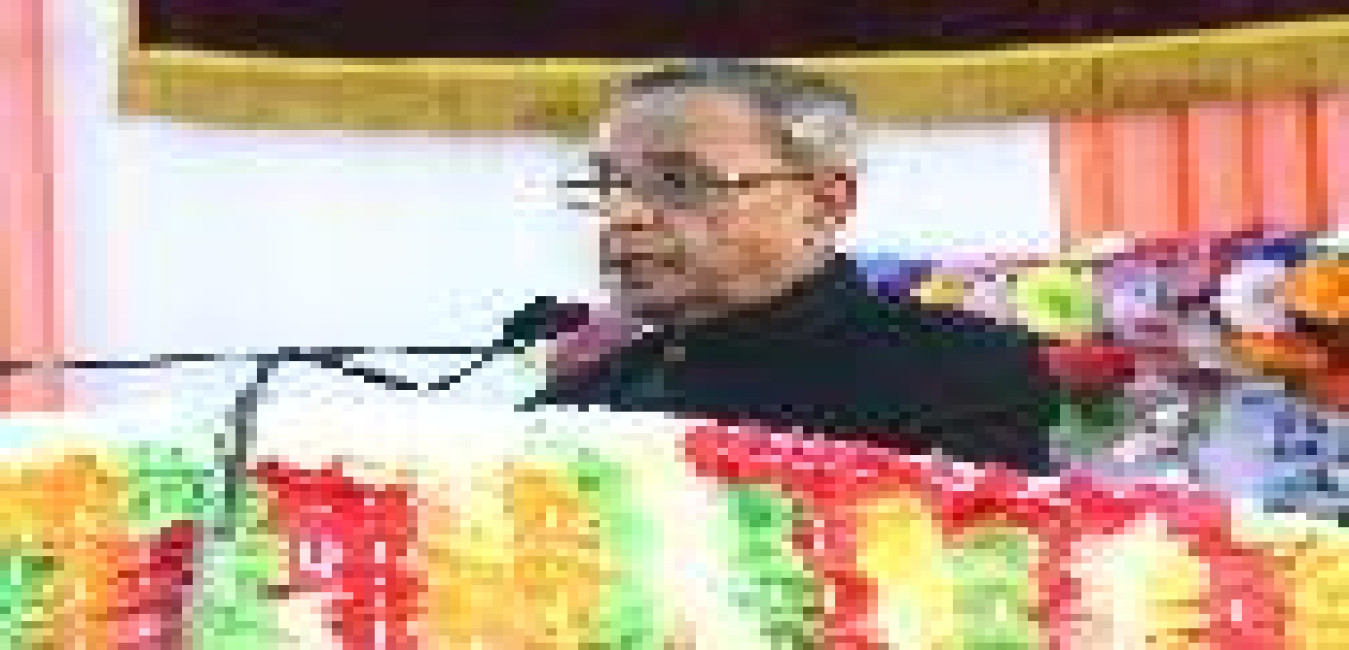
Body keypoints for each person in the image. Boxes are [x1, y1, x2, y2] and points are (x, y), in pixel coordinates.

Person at [532, 60, 1063, 474]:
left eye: (679, 183)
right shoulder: (574, 409)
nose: (622, 215)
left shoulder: (960, 372)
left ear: (826, 202)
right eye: (607, 185)